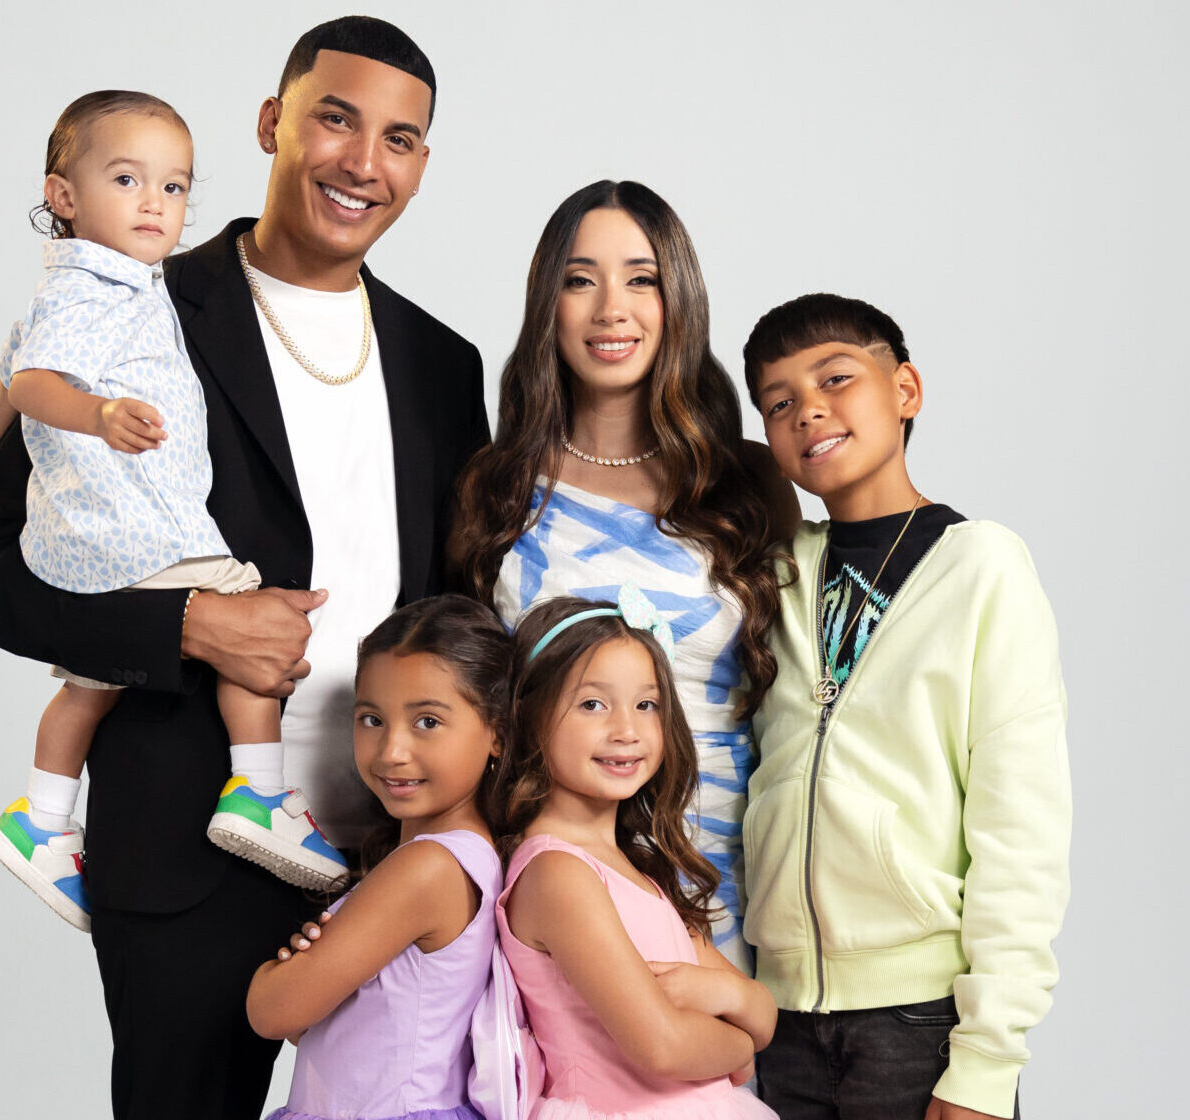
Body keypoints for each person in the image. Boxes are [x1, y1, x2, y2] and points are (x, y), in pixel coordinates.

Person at [0, 16, 487, 1117]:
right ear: (273, 122)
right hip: (190, 855)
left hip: (400, 855)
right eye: (334, 119)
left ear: (421, 165)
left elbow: (462, 607)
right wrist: (187, 624)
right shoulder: (132, 298)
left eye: (397, 139)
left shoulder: (444, 362)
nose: (362, 161)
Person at [0, 92, 346, 935]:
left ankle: (42, 819)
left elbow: (9, 395)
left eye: (174, 187)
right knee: (251, 620)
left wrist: (26, 463)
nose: (154, 203)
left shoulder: (101, 285)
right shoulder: (95, 290)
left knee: (88, 685)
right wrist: (96, 417)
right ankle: (258, 792)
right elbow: (33, 385)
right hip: (138, 530)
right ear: (63, 196)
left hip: (98, 534)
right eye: (126, 180)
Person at [739, 294, 1071, 1120]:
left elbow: (1020, 826)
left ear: (905, 390)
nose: (807, 410)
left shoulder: (981, 568)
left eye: (835, 379)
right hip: (779, 1022)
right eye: (777, 403)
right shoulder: (774, 575)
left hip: (918, 1023)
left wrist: (987, 1061)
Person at [452, 180, 797, 974]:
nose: (612, 309)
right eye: (580, 280)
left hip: (725, 878)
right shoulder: (494, 487)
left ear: (679, 302)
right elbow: (466, 705)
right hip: (557, 889)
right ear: (547, 304)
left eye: (641, 279)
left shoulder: (746, 482)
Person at [494, 591, 780, 1120]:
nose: (627, 730)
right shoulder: (557, 873)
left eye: (646, 705)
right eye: (592, 704)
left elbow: (763, 1010)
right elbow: (663, 1047)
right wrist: (740, 1045)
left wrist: (726, 995)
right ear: (527, 714)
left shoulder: (638, 868)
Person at [247, 595, 508, 1120]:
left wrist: (277, 978)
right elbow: (335, 1027)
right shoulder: (461, 856)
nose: (391, 751)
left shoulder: (427, 868)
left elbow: (274, 1014)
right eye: (371, 719)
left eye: (427, 721)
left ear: (498, 733)